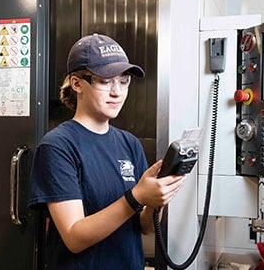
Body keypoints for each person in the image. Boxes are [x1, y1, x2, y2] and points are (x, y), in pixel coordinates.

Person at [28, 33, 186, 270]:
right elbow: (74, 237)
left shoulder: (129, 143)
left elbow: (145, 226)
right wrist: (136, 197)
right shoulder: (58, 146)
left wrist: (157, 200)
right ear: (76, 83)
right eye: (104, 81)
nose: (117, 92)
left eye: (124, 81)